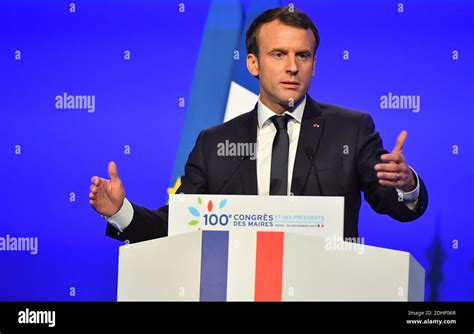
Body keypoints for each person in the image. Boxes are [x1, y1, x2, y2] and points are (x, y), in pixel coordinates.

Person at [89, 7, 428, 244]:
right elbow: (177, 224)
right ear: (253, 63)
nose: (292, 67)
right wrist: (121, 211)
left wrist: (406, 184)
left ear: (314, 64)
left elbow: (396, 206)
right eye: (279, 54)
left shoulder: (351, 130)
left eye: (303, 55)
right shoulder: (214, 144)